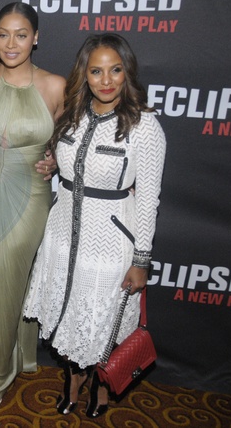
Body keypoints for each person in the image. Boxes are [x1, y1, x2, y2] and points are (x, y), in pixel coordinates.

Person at [24, 33, 166, 418]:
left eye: (115, 70)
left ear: (127, 72)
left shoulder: (144, 126)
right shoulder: (72, 114)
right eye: (96, 71)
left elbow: (149, 199)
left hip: (109, 241)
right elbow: (67, 162)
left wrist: (141, 260)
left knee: (101, 320)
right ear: (84, 74)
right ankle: (72, 380)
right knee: (69, 314)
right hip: (61, 234)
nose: (106, 80)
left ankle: (101, 387)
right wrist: (53, 163)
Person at [0, 2, 65, 412]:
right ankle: (12, 353)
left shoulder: (55, 85)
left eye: (21, 35)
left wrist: (56, 160)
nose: (11, 43)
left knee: (3, 280)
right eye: (3, 34)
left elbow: (70, 139)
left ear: (35, 38)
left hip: (27, 194)